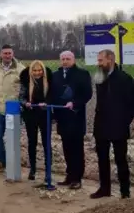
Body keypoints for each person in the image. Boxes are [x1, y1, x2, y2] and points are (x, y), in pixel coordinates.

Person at [90, 50, 134, 199]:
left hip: (118, 126)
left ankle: (125, 191)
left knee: (120, 159)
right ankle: (104, 189)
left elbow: (132, 103)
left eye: (101, 60)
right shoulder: (100, 77)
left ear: (110, 60)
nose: (99, 63)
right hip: (101, 126)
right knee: (102, 159)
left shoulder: (124, 78)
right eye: (98, 60)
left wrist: (124, 121)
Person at [52, 51, 92, 189]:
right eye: (62, 59)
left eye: (68, 58)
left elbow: (87, 93)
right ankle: (69, 176)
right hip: (62, 118)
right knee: (66, 148)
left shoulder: (82, 74)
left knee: (77, 149)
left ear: (73, 60)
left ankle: (77, 178)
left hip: (76, 117)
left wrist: (74, 103)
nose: (65, 61)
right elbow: (51, 94)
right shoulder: (55, 76)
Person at [0, 44, 25, 173]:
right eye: (5, 53)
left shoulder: (20, 69)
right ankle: (0, 160)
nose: (7, 55)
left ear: (13, 54)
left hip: (13, 109)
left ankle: (12, 162)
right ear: (0, 54)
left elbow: (24, 89)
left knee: (12, 137)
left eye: (9, 53)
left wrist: (19, 103)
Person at [18, 60, 53, 181]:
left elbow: (52, 96)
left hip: (45, 115)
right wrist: (26, 103)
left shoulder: (48, 80)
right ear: (31, 71)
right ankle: (32, 169)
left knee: (46, 143)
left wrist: (47, 103)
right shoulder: (25, 80)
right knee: (32, 142)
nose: (37, 73)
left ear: (43, 71)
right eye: (35, 70)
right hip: (30, 115)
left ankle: (48, 171)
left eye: (39, 70)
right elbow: (21, 97)